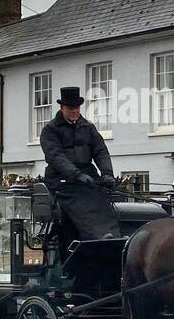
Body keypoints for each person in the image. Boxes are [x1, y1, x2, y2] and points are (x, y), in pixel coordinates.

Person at [39, 86, 121, 241]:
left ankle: (113, 238)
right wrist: (76, 175)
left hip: (87, 175)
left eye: (77, 108)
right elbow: (55, 157)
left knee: (101, 198)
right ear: (62, 107)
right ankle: (96, 238)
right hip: (61, 180)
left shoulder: (88, 127)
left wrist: (107, 174)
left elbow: (101, 151)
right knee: (82, 203)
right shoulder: (50, 130)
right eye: (71, 108)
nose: (75, 111)